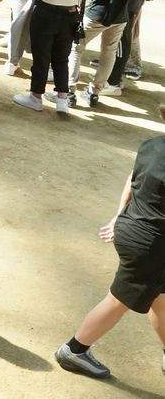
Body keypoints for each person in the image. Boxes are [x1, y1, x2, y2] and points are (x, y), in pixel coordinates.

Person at [53, 134, 165, 380]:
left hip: (132, 228)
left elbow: (133, 180)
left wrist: (119, 217)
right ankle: (74, 350)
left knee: (160, 296)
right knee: (119, 300)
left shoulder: (153, 145)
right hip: (150, 246)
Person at [13, 0, 88, 114]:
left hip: (45, 16)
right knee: (61, 59)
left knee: (41, 57)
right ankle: (62, 98)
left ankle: (36, 96)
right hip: (69, 17)